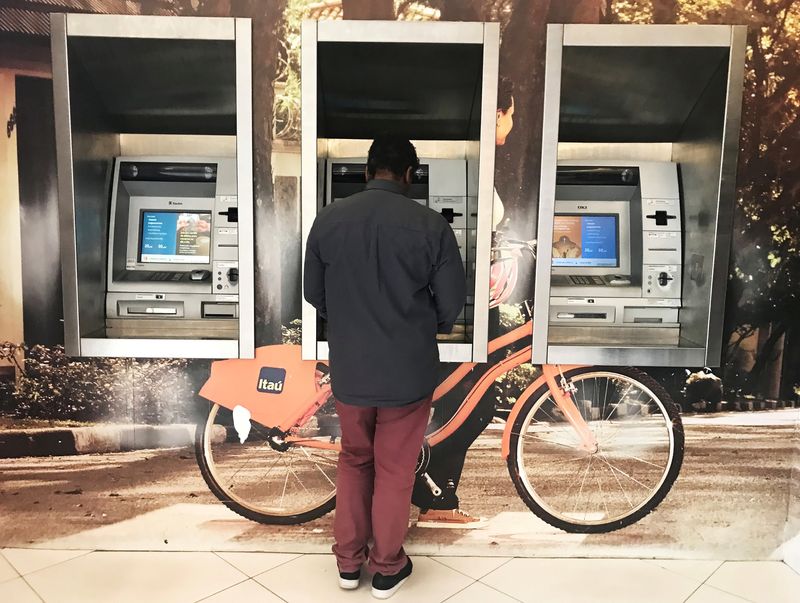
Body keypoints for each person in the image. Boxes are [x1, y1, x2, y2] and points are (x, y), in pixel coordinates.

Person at [304, 136, 466, 599]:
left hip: (352, 370)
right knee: (395, 469)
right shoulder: (432, 226)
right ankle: (388, 568)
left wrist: (353, 318)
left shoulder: (328, 220)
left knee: (355, 460)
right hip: (407, 371)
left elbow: (315, 294)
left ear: (367, 170)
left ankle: (348, 566)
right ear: (411, 174)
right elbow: (450, 304)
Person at [413, 76, 517, 528]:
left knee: (471, 399)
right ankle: (433, 495)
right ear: (497, 113)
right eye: (511, 116)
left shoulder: (473, 164)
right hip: (461, 305)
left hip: (470, 301)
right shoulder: (467, 163)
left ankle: (434, 493)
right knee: (469, 401)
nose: (512, 127)